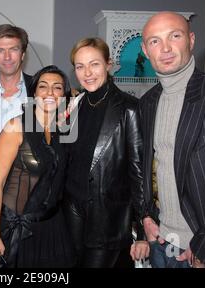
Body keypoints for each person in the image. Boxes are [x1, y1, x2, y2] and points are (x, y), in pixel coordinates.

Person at [139, 11, 205, 268]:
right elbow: (149, 170)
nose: (165, 48)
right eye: (154, 41)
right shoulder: (147, 103)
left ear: (191, 39)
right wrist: (145, 215)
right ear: (145, 50)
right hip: (162, 245)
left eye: (174, 36)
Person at [63, 38, 149, 268]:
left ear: (108, 64)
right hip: (72, 211)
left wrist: (142, 230)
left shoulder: (129, 108)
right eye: (80, 66)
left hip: (108, 217)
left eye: (95, 64)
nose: (87, 73)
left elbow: (139, 173)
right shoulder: (76, 105)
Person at [0, 65, 75, 268]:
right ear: (34, 92)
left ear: (64, 94)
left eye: (57, 87)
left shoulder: (63, 131)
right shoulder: (15, 127)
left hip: (52, 227)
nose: (50, 92)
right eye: (43, 86)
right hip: (14, 229)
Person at [0, 24, 33, 152]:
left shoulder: (38, 89)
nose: (7, 57)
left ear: (23, 54)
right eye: (0, 50)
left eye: (13, 49)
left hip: (29, 171)